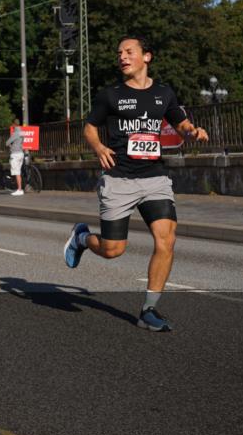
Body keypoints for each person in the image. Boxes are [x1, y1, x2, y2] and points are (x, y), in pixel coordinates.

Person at [62, 34, 208, 332]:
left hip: (154, 178)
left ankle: (149, 309)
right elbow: (89, 127)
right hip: (119, 178)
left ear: (147, 56)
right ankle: (81, 239)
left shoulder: (164, 93)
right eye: (119, 53)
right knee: (113, 250)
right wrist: (100, 148)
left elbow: (180, 123)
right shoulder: (111, 95)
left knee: (166, 239)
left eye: (129, 52)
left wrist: (192, 132)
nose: (122, 57)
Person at [6, 118, 25, 196]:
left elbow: (7, 143)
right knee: (18, 172)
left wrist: (10, 146)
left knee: (16, 172)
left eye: (12, 124)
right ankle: (19, 188)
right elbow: (21, 143)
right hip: (21, 153)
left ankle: (19, 189)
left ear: (14, 124)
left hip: (15, 154)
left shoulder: (15, 133)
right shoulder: (22, 132)